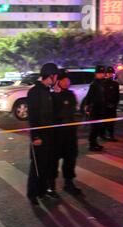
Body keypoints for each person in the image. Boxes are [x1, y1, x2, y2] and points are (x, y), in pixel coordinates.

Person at [26, 62, 59, 205]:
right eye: (56, 76)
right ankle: (32, 194)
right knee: (37, 167)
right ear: (50, 76)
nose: (57, 78)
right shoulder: (34, 92)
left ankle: (42, 191)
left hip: (50, 135)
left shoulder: (48, 91)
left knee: (46, 165)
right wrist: (36, 137)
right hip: (40, 135)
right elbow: (33, 117)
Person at [49, 70, 82, 195]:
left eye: (69, 80)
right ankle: (50, 185)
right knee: (53, 160)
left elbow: (76, 112)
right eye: (65, 80)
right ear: (58, 81)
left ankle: (69, 182)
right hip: (57, 134)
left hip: (70, 133)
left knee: (70, 158)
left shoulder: (71, 94)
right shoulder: (52, 96)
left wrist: (77, 122)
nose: (68, 82)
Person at [84, 65, 106, 152]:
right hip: (94, 109)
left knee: (98, 127)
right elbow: (88, 97)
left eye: (102, 73)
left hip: (101, 109)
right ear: (96, 74)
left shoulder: (102, 83)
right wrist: (87, 107)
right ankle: (91, 144)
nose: (101, 75)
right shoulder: (94, 84)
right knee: (94, 128)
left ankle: (95, 143)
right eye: (99, 73)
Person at [102, 66, 120, 141]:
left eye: (112, 73)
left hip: (113, 106)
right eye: (109, 73)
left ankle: (111, 135)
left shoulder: (115, 84)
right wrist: (106, 104)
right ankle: (103, 135)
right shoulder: (103, 83)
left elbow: (117, 95)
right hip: (105, 106)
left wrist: (115, 104)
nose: (111, 75)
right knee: (104, 122)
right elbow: (102, 95)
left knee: (112, 122)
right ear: (106, 74)